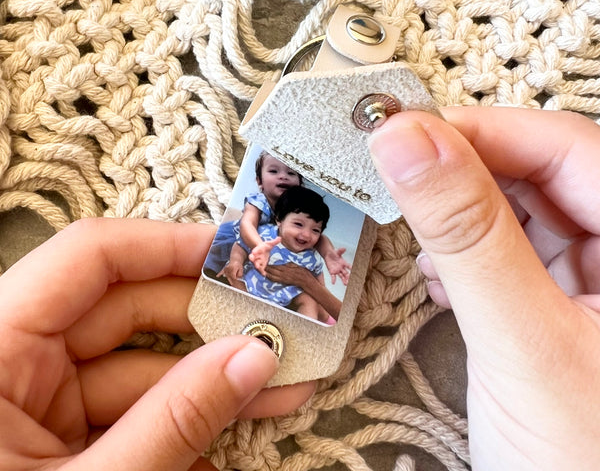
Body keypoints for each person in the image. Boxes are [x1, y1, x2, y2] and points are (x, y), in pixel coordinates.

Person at [2, 106, 600, 470]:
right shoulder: (265, 229)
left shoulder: (314, 249)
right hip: (260, 290)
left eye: (314, 227)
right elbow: (248, 240)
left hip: (298, 299)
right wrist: (246, 257)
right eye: (299, 221)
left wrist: (326, 269)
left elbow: (329, 259)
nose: (307, 230)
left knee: (313, 303)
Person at [205, 151, 350, 286]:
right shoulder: (258, 201)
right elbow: (247, 224)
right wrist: (258, 245)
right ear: (260, 182)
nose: (283, 176)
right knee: (218, 268)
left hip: (266, 248)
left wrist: (328, 254)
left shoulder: (298, 207)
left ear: (300, 184)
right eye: (273, 171)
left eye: (291, 173)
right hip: (237, 238)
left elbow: (317, 235)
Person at [241, 186, 337, 322]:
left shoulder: (311, 256)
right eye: (298, 224)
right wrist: (236, 260)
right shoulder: (264, 235)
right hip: (251, 286)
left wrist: (321, 303)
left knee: (309, 300)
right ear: (279, 219)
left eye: (315, 230)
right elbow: (241, 244)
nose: (306, 234)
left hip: (285, 299)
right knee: (234, 278)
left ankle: (306, 330)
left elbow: (318, 278)